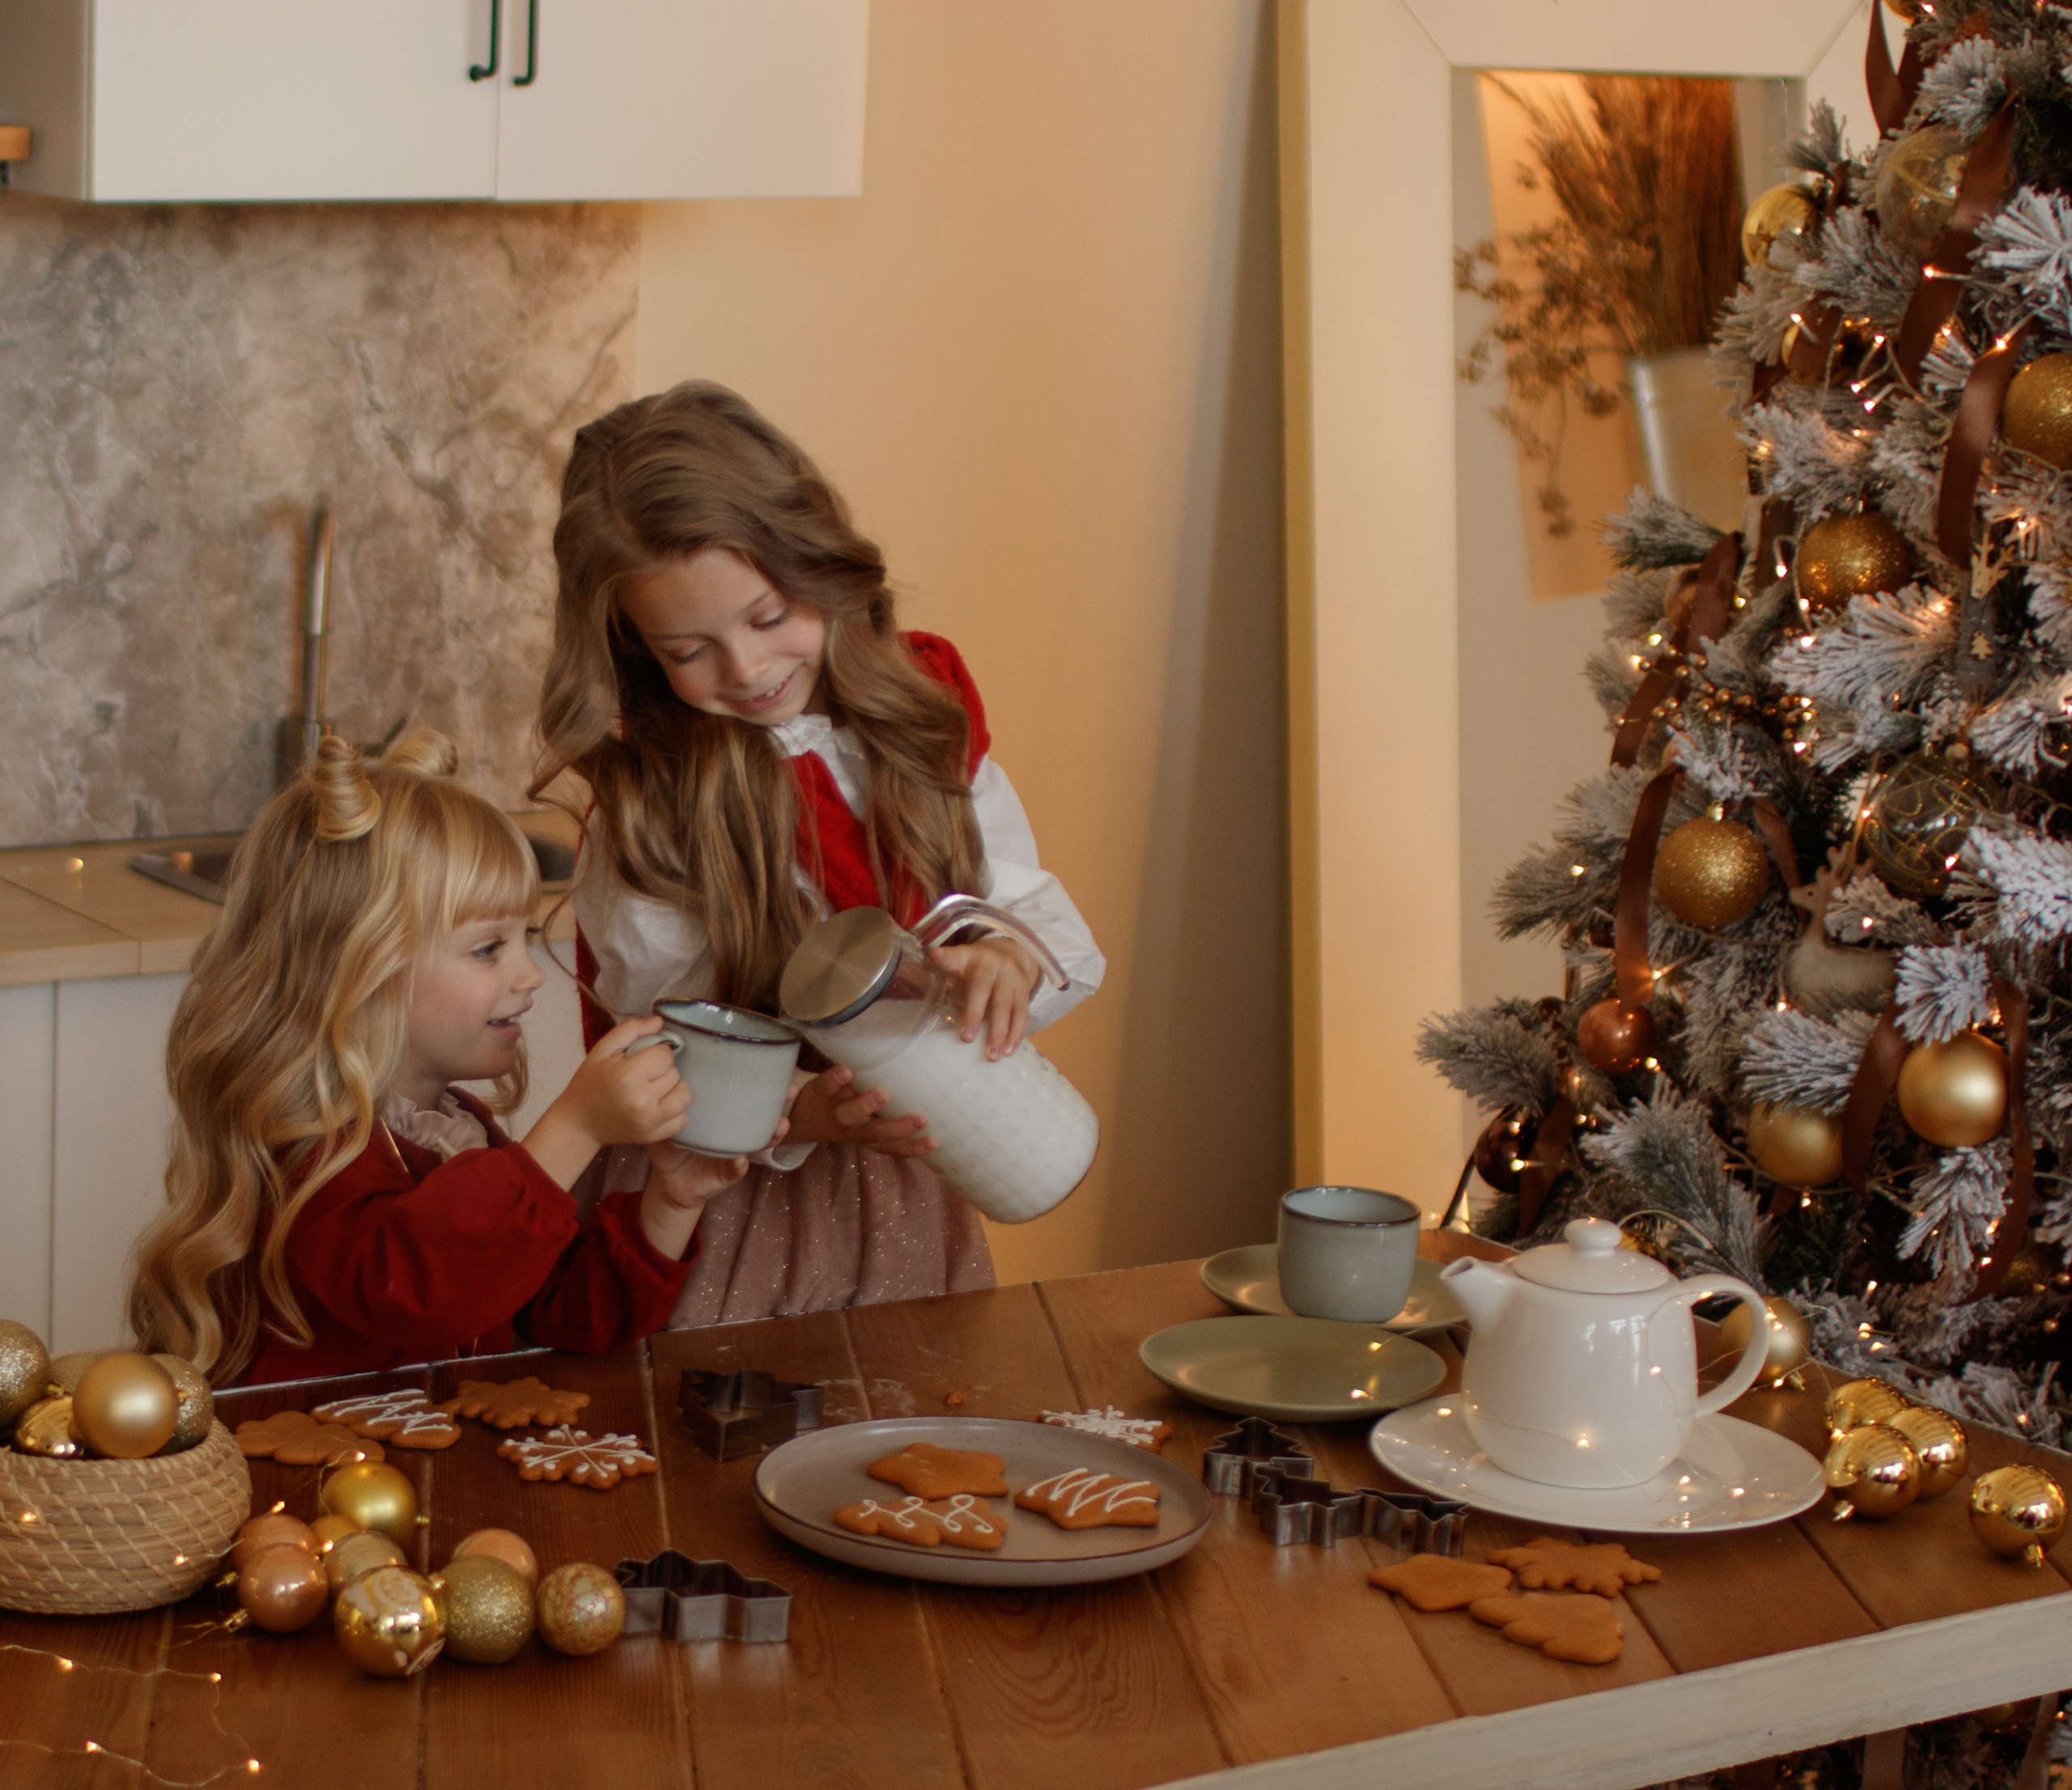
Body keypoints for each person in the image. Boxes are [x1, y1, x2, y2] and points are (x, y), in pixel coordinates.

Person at [534, 380, 1104, 1325]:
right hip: (721, 1202)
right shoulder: (652, 798)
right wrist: (806, 1115)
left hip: (914, 1191)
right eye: (688, 650)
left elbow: (1027, 904)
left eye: (767, 617)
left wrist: (1006, 957)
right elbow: (662, 1055)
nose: (747, 671)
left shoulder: (918, 710)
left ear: (822, 561)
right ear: (634, 648)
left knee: (915, 1427)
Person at [129, 730, 751, 1385]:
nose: (530, 974)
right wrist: (576, 1128)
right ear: (363, 969)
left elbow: (558, 1315)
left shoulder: (455, 1129)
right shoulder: (307, 1151)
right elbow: (421, 1291)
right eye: (489, 949)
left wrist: (670, 1204)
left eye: (527, 937)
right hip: (318, 1478)